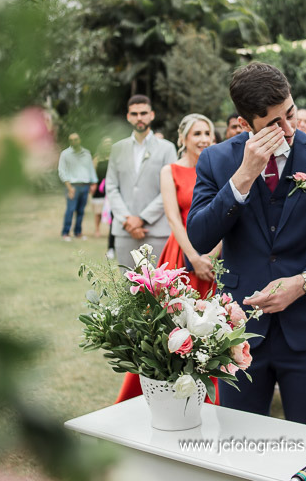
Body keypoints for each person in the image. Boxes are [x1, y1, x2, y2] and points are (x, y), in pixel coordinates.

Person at [187, 62, 306, 429]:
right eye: (273, 123)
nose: (289, 129)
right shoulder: (217, 160)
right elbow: (200, 237)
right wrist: (243, 176)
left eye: (291, 114)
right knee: (239, 444)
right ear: (244, 122)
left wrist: (304, 282)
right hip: (239, 332)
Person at [116, 114, 223, 404]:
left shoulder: (219, 168)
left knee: (211, 326)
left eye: (208, 133)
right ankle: (161, 392)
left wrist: (211, 257)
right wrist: (194, 259)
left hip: (214, 255)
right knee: (172, 325)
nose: (203, 139)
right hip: (181, 254)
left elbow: (229, 214)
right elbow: (174, 219)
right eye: (197, 133)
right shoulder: (170, 170)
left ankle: (210, 396)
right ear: (183, 139)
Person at [105, 95, 177, 266]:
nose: (139, 118)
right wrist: (127, 219)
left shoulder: (167, 148)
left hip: (156, 230)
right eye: (135, 114)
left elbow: (169, 188)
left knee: (158, 288)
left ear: (151, 115)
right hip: (124, 230)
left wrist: (143, 218)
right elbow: (111, 186)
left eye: (143, 113)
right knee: (126, 286)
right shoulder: (117, 148)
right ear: (128, 117)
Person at [58, 132, 97, 241]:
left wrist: (93, 183)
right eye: (71, 140)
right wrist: (69, 188)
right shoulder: (65, 154)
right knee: (70, 210)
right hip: (72, 186)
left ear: (79, 140)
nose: (74, 142)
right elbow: (62, 171)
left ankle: (78, 232)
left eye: (76, 139)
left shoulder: (87, 154)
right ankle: (65, 233)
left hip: (85, 186)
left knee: (81, 211)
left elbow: (91, 170)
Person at [91, 137, 113, 238]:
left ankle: (111, 230)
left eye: (109, 143)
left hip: (112, 186)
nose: (107, 145)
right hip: (99, 187)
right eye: (105, 143)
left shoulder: (115, 157)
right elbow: (92, 172)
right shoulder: (97, 158)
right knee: (98, 210)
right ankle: (97, 229)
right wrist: (93, 184)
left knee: (111, 209)